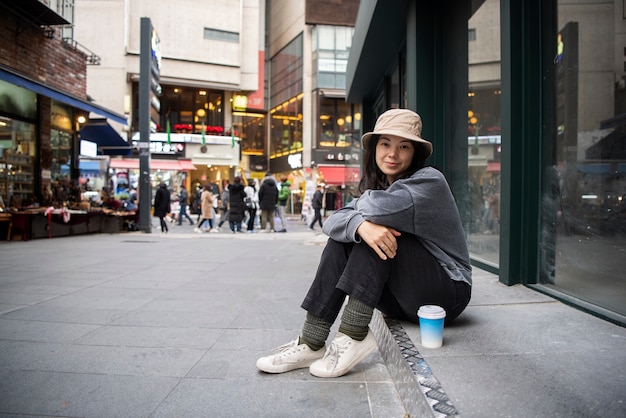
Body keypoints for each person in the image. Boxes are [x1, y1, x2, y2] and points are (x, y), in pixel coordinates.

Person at [256, 108, 472, 378]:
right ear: (375, 148)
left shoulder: (429, 181)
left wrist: (358, 217)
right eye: (385, 144)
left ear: (415, 152)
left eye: (403, 146)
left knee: (381, 230)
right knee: (350, 234)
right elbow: (332, 223)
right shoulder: (382, 187)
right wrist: (359, 223)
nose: (392, 154)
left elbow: (365, 211)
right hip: (402, 299)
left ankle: (353, 335)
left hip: (447, 294)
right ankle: (311, 341)